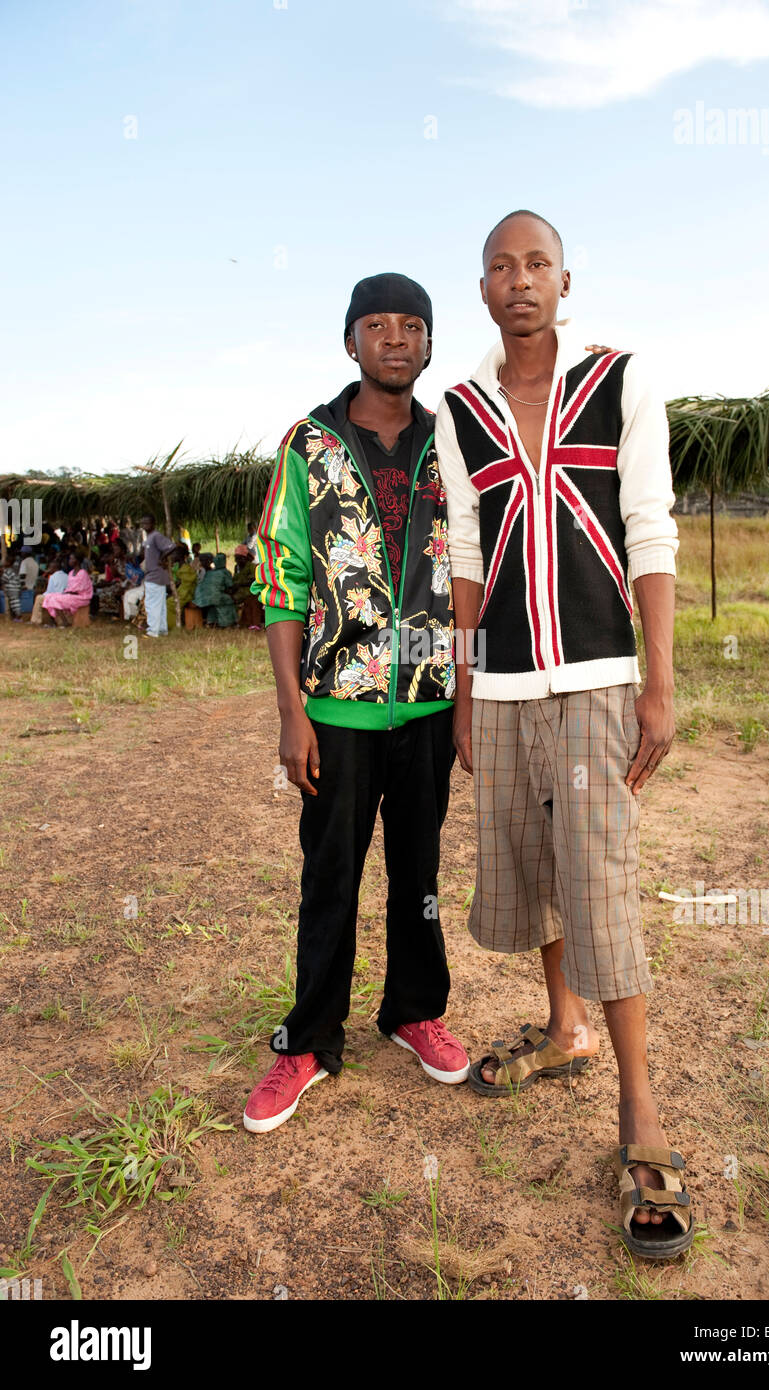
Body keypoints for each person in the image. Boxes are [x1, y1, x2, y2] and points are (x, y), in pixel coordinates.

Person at [436, 211, 691, 1260]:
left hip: (595, 675)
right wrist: (458, 682)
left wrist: (659, 680)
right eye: (501, 266)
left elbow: (650, 526)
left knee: (597, 877)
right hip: (496, 679)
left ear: (564, 279)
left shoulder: (621, 380)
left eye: (536, 262)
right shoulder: (462, 407)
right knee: (531, 863)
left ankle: (639, 1111)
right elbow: (459, 541)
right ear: (484, 290)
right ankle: (563, 1028)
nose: (520, 279)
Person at [243, 272, 467, 1135]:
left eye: (412, 325)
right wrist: (292, 713)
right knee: (329, 874)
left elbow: (473, 566)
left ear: (428, 344)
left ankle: (413, 1011)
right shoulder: (308, 445)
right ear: (350, 343)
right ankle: (305, 1041)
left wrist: (468, 691)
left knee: (419, 873)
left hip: (428, 704)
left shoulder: (452, 442)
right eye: (377, 324)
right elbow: (280, 577)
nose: (396, 338)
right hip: (335, 708)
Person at [139, 514, 175, 637]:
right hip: (153, 575)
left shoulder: (156, 536)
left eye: (147, 523)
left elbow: (171, 546)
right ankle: (161, 629)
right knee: (160, 605)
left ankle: (153, 631)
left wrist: (162, 558)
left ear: (153, 523)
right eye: (143, 523)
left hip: (155, 575)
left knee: (151, 604)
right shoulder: (148, 537)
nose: (145, 526)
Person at [42, 554, 93, 625]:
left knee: (55, 599)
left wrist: (67, 593)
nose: (70, 561)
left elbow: (80, 590)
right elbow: (69, 587)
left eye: (72, 559)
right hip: (71, 595)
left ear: (77, 561)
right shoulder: (70, 573)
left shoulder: (83, 573)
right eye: (70, 559)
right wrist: (66, 592)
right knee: (50, 596)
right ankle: (57, 621)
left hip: (81, 597)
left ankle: (63, 622)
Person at [193, 552, 237, 627]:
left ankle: (211, 621)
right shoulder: (225, 572)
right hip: (215, 597)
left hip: (200, 598)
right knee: (228, 599)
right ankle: (227, 622)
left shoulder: (210, 572)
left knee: (213, 603)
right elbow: (230, 586)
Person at [231, 543, 263, 628]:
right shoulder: (236, 567)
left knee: (233, 599)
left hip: (249, 590)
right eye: (236, 558)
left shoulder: (251, 567)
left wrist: (240, 583)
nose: (237, 561)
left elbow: (254, 579)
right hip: (239, 589)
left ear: (244, 558)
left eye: (238, 558)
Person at [167, 543, 198, 629]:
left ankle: (173, 626)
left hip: (186, 595)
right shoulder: (179, 567)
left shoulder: (186, 569)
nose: (172, 556)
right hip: (181, 592)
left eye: (174, 554)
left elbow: (186, 588)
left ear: (179, 555)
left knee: (168, 603)